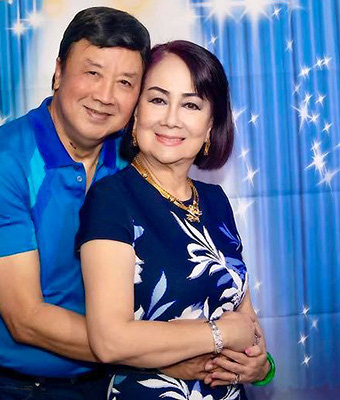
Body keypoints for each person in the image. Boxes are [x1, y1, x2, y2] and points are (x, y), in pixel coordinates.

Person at [0, 7, 150, 399]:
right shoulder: (2, 161)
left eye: (125, 82)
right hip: (25, 388)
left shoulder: (136, 158)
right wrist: (160, 355)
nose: (105, 96)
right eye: (92, 73)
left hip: (120, 379)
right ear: (59, 71)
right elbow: (26, 320)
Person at [77, 40, 275, 399]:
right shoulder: (111, 200)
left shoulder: (215, 201)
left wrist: (261, 367)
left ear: (211, 124)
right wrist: (219, 334)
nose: (171, 119)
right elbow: (109, 340)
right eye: (157, 100)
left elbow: (245, 321)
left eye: (191, 105)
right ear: (136, 114)